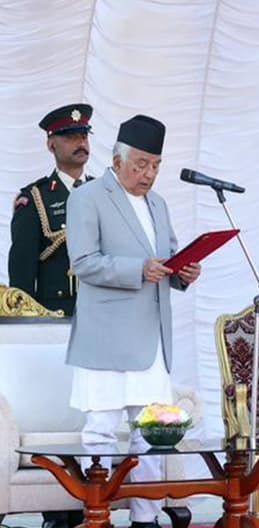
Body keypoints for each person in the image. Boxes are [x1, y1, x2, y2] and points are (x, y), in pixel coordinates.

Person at [65, 114, 201, 528]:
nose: (149, 174)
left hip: (152, 338)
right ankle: (97, 513)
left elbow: (168, 256)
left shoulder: (157, 204)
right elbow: (84, 263)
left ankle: (146, 517)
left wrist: (183, 273)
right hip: (106, 336)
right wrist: (138, 269)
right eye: (141, 164)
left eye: (156, 166)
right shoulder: (87, 198)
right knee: (101, 431)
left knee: (151, 433)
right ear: (117, 159)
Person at [9, 103, 95, 319]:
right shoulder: (35, 198)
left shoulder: (103, 192)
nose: (80, 142)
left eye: (84, 135)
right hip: (56, 316)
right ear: (51, 145)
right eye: (70, 137)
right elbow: (22, 273)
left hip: (101, 313)